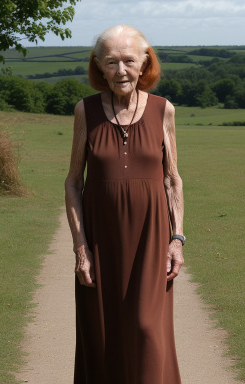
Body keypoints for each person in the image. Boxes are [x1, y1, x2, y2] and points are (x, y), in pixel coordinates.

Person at [65, 25, 185, 384]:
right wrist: (80, 249)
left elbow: (172, 179)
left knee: (148, 329)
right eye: (111, 62)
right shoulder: (85, 111)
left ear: (145, 62)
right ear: (99, 66)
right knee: (102, 334)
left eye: (129, 61)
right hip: (100, 241)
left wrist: (177, 239)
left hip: (151, 240)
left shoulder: (164, 110)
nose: (121, 71)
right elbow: (73, 181)